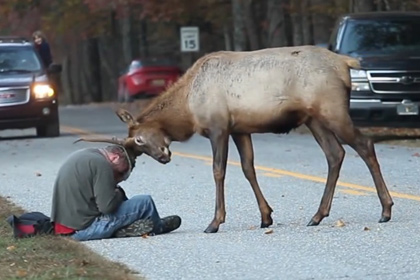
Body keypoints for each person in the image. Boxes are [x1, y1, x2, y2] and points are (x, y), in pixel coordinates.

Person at [50, 145, 181, 241]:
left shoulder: (85, 154)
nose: (119, 178)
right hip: (84, 229)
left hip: (64, 228)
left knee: (121, 197)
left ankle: (125, 228)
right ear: (115, 157)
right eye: (121, 173)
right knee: (145, 202)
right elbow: (107, 207)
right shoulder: (102, 164)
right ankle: (158, 227)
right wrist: (117, 192)